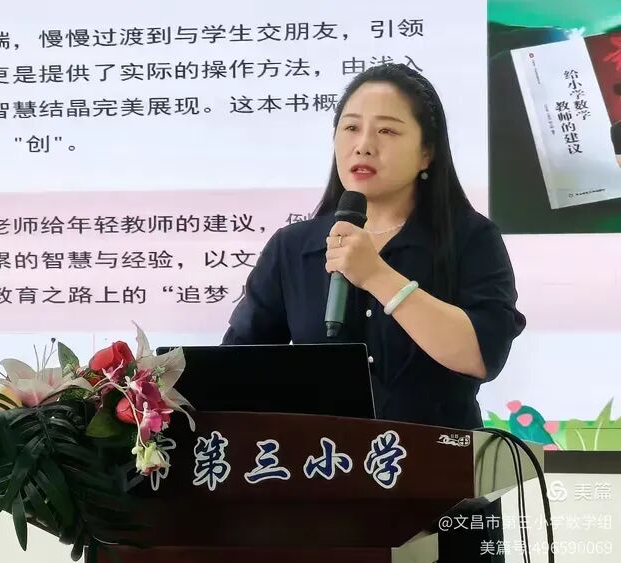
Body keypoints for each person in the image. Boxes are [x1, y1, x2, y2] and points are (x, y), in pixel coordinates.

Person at [221, 63, 525, 562]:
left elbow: (480, 354)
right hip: (323, 496)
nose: (363, 145)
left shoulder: (471, 240)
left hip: (443, 496)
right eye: (350, 128)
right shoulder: (293, 248)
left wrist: (377, 275)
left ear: (427, 152)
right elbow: (237, 371)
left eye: (387, 131)